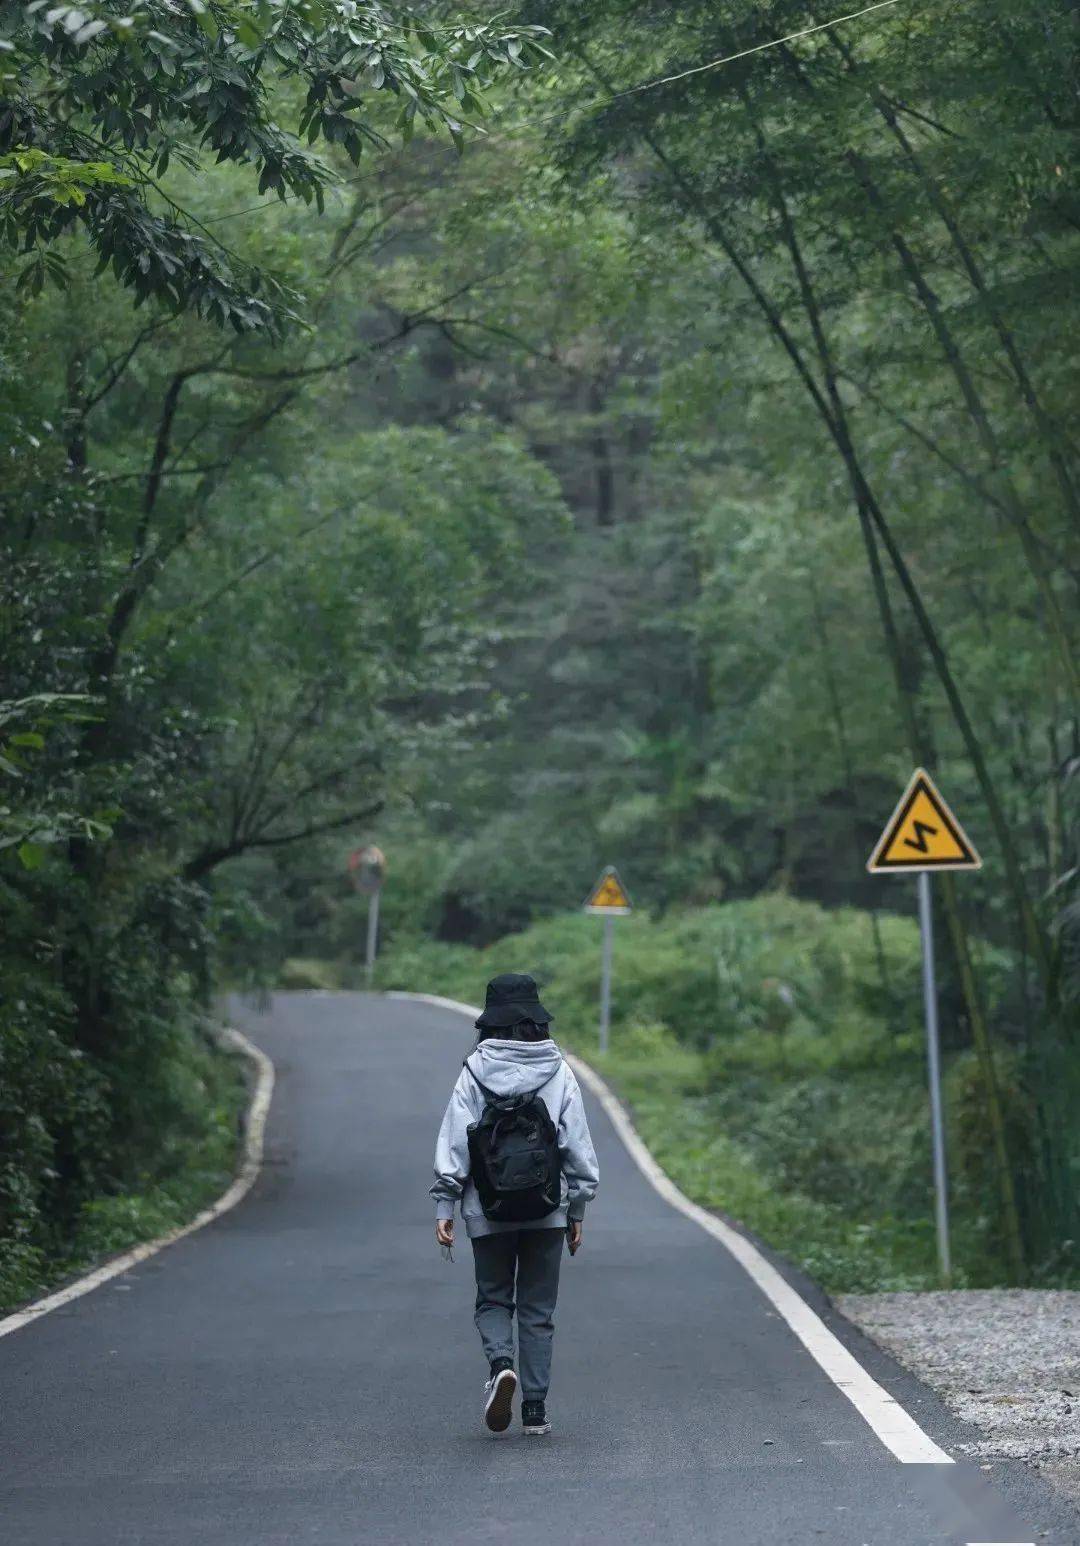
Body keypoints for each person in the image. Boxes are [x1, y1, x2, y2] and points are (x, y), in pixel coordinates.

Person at [431, 973, 599, 1437]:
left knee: (493, 1299)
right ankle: (535, 1411)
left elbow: (454, 1145)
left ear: (490, 1024)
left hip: (487, 1210)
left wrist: (445, 1204)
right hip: (547, 1209)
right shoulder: (559, 1071)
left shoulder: (473, 1072)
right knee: (538, 1309)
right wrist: (577, 1209)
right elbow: (577, 1149)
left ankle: (501, 1364)